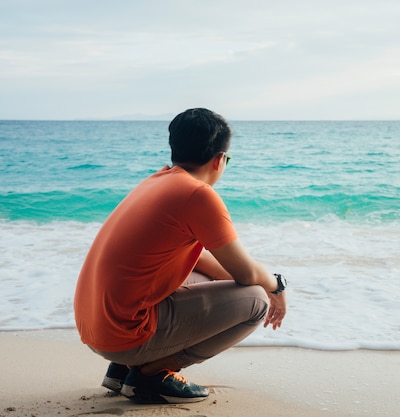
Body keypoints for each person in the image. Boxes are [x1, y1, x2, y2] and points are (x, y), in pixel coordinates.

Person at [74, 108, 287, 404]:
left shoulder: (157, 180)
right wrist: (276, 284)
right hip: (124, 334)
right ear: (219, 160)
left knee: (200, 274)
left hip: (97, 326)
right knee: (257, 301)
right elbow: (248, 275)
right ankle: (151, 371)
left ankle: (122, 369)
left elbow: (201, 262)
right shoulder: (198, 194)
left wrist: (262, 281)